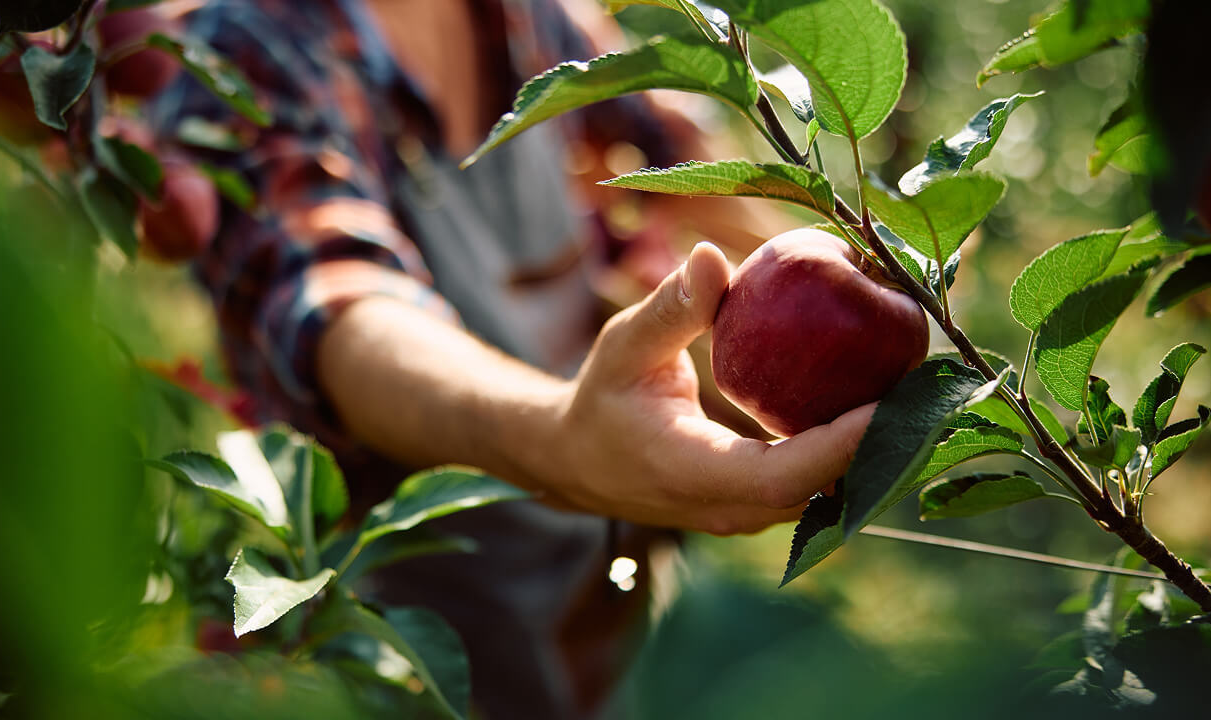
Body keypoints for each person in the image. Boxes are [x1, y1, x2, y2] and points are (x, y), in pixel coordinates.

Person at [143, 0, 873, 716]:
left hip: (604, 611)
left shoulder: (533, 16)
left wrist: (856, 302)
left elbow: (698, 169)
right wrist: (565, 437)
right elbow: (338, 308)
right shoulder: (247, 45)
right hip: (397, 655)